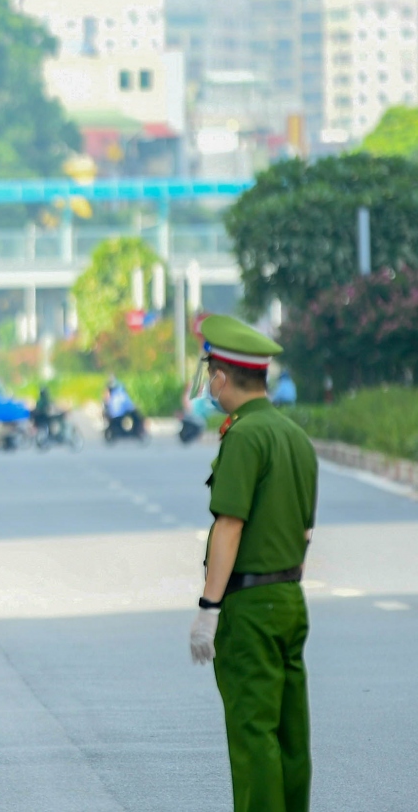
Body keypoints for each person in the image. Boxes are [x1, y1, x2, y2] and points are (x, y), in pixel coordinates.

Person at [187, 314, 317, 812]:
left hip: (250, 605)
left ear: (222, 376)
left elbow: (230, 525)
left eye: (210, 373)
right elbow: (305, 530)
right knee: (290, 735)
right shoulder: (294, 436)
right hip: (289, 598)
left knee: (252, 733)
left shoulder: (244, 437)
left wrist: (209, 608)